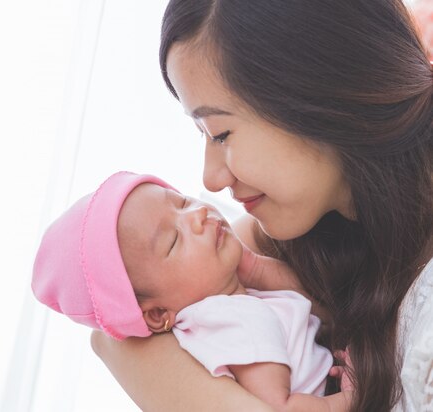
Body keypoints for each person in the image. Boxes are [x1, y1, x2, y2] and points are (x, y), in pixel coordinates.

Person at [90, 1, 433, 411]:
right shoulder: (299, 235)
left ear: (318, 95)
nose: (210, 179)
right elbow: (115, 333)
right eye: (200, 132)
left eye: (220, 133)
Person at [32, 171, 351, 411]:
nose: (198, 215)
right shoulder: (232, 319)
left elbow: (314, 307)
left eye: (182, 202)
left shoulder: (235, 299)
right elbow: (281, 407)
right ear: (157, 314)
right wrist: (354, 397)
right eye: (173, 240)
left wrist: (254, 267)